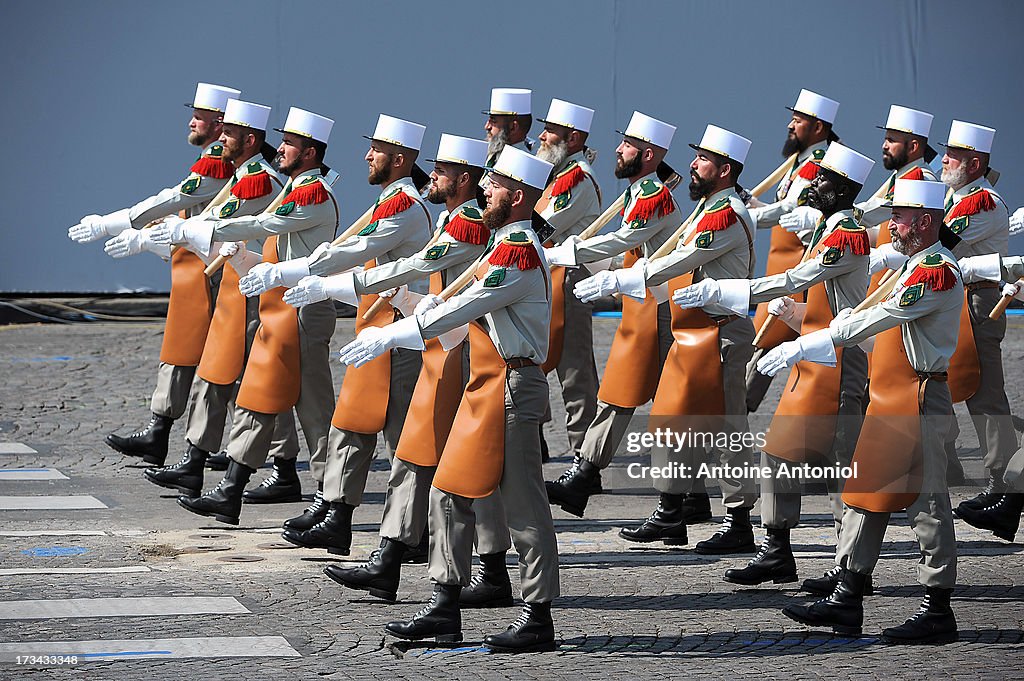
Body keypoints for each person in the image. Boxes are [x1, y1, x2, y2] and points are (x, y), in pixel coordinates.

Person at [339, 147, 560, 652]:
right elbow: (458, 305)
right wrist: (412, 308)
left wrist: (398, 334)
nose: (483, 188)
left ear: (518, 196)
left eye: (495, 185)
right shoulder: (501, 246)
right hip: (485, 385)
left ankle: (538, 615)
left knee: (524, 506)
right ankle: (444, 604)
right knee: (448, 489)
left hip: (510, 388)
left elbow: (471, 303)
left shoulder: (518, 251)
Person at [301, 134, 513, 606]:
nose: (431, 175)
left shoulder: (469, 225)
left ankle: (466, 567)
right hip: (443, 351)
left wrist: (328, 279)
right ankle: (395, 559)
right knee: (423, 458)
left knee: (456, 466)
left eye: (441, 170)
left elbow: (417, 266)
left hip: (462, 355)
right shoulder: (452, 218)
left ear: (465, 179)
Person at [767, 179, 961, 645]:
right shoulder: (911, 266)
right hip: (889, 396)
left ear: (926, 220)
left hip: (918, 399)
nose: (891, 223)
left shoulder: (936, 271)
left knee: (927, 504)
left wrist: (809, 343)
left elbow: (878, 318)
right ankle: (847, 597)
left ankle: (937, 609)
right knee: (864, 495)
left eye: (900, 215)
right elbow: (867, 325)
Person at [677, 143, 874, 583]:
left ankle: (850, 568)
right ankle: (777, 550)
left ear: (843, 189)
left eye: (822, 179)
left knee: (838, 468)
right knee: (779, 455)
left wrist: (726, 293)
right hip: (814, 355)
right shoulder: (829, 229)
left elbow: (797, 279)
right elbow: (822, 305)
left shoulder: (847, 234)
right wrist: (793, 315)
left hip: (842, 363)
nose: (812, 183)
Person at [570, 125, 759, 553]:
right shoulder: (708, 207)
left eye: (703, 160)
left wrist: (616, 281)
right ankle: (672, 512)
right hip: (694, 331)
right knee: (675, 422)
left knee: (727, 431)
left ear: (725, 170)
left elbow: (677, 261)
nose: (692, 164)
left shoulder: (725, 215)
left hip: (721, 334)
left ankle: (739, 522)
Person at [252, 114, 432, 553]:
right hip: (371, 326)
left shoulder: (404, 207)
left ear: (400, 158)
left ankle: (414, 530)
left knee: (400, 438)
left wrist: (296, 271)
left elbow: (359, 251)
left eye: (376, 149)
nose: (367, 155)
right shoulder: (389, 201)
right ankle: (334, 511)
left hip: (395, 333)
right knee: (351, 423)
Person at [155, 106, 340, 526]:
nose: (283, 148)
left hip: (304, 313)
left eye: (291, 142)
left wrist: (199, 229)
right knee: (257, 397)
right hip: (280, 309)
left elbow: (263, 221)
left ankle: (332, 501)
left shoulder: (313, 196)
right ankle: (230, 491)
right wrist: (244, 258)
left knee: (315, 413)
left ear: (309, 152)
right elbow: (272, 248)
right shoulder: (295, 188)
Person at [134, 99, 301, 500]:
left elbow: (224, 223)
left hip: (257, 294)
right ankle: (196, 462)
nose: (221, 136)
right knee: (216, 375)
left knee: (258, 383)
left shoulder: (259, 181)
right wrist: (163, 234)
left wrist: (162, 230)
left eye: (228, 132)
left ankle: (285, 468)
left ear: (249, 139)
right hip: (231, 286)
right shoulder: (242, 176)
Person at [69, 82, 241, 466]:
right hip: (196, 265)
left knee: (226, 362)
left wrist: (116, 224)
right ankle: (163, 432)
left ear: (219, 124)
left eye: (200, 116)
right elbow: (181, 216)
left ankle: (254, 450)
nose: (192, 121)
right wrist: (143, 237)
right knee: (192, 352)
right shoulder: (215, 160)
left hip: (219, 269)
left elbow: (175, 198)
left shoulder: (219, 164)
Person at [544, 111, 688, 518]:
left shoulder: (654, 197)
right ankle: (672, 501)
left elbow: (623, 239)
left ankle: (592, 475)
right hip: (644, 305)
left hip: (661, 308)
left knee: (665, 403)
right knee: (632, 395)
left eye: (626, 144)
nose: (618, 150)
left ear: (647, 154)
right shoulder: (638, 193)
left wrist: (560, 253)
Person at [744, 89, 840, 411]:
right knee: (762, 349)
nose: (790, 125)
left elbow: (787, 212)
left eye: (798, 120)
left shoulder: (818, 165)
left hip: (798, 272)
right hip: (779, 266)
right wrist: (751, 204)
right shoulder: (796, 163)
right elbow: (782, 211)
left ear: (818, 128)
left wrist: (744, 215)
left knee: (762, 347)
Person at [533, 98, 601, 469]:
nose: (541, 137)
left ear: (572, 138)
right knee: (535, 359)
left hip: (569, 277)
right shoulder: (558, 174)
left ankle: (583, 454)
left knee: (574, 369)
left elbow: (543, 225)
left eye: (551, 132)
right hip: (545, 276)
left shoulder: (577, 181)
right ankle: (538, 439)